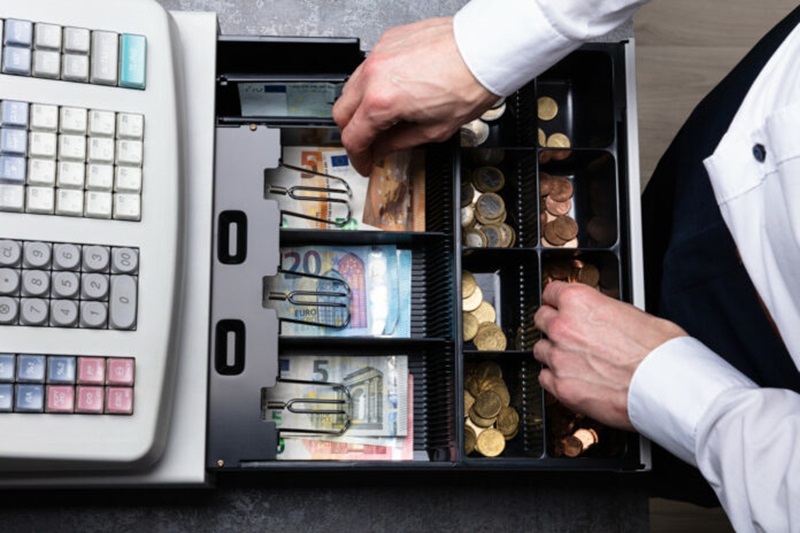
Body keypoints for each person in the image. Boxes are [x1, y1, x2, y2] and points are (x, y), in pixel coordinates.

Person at [333, 1, 800, 531]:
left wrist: (683, 398)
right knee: (658, 227)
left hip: (764, 368)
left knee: (663, 459)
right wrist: (502, 36)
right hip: (770, 113)